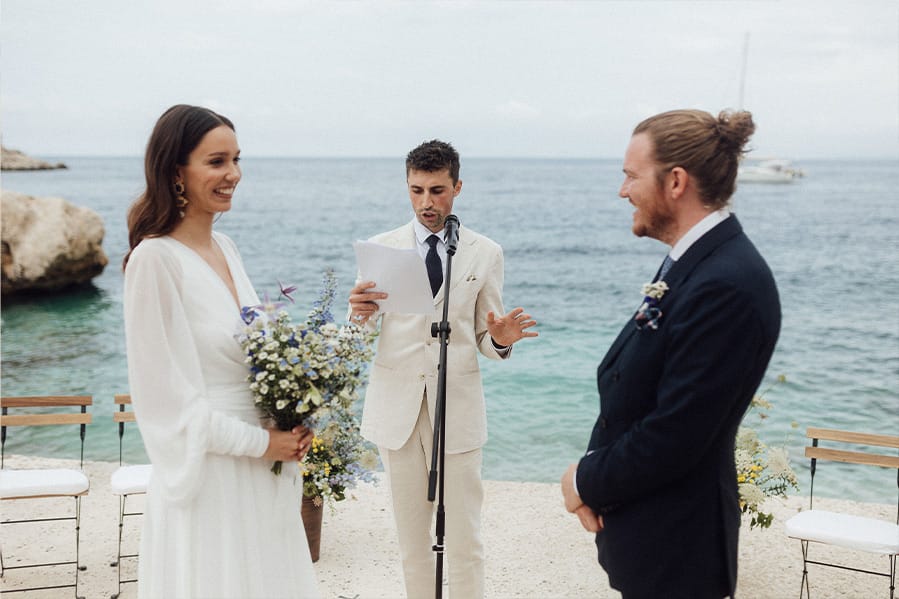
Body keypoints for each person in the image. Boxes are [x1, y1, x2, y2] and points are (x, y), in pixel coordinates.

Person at [561, 109, 781, 599]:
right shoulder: (695, 261)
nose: (623, 192)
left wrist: (584, 479)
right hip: (653, 541)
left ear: (676, 181)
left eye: (631, 176)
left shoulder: (728, 284)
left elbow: (676, 435)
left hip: (681, 551)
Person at [122, 104, 320, 598]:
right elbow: (164, 402)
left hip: (264, 473)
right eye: (216, 161)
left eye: (236, 159)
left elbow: (258, 361)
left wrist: (294, 421)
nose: (233, 174)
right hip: (212, 476)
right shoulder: (154, 261)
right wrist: (261, 444)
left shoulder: (227, 247)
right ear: (176, 172)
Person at [349, 139, 537, 598]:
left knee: (466, 539)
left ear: (457, 187)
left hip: (458, 410)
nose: (426, 203)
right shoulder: (381, 248)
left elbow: (483, 335)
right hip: (399, 413)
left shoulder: (484, 252)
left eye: (436, 191)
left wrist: (501, 339)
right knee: (412, 541)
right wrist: (357, 315)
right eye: (416, 191)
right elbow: (360, 338)